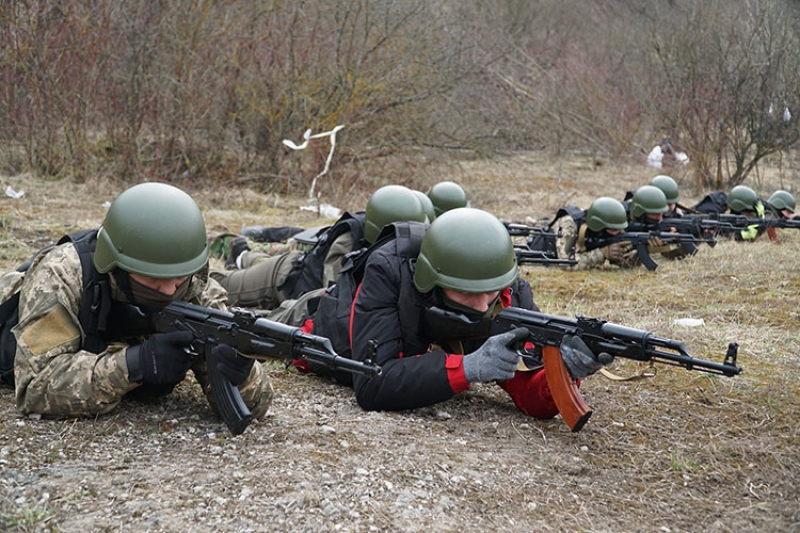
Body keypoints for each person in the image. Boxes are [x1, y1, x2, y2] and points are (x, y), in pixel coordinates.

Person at [307, 207, 612, 416]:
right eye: (466, 293)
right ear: (433, 281)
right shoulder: (389, 272)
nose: (482, 307)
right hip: (324, 319)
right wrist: (468, 367)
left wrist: (566, 371)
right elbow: (372, 384)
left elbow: (529, 392)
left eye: (490, 292)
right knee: (277, 294)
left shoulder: (509, 293)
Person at [9, 183, 273, 421]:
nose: (170, 289)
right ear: (117, 265)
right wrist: (135, 364)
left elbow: (258, 403)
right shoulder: (61, 274)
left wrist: (239, 372)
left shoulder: (195, 289)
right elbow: (34, 387)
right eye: (154, 277)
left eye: (179, 276)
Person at [210, 184, 427, 310]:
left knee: (255, 261)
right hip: (284, 278)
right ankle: (238, 251)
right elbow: (330, 299)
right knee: (222, 286)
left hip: (297, 266)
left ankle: (244, 253)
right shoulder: (346, 244)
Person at [550, 197, 640, 270]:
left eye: (619, 230)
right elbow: (565, 264)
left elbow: (626, 264)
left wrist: (642, 252)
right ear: (598, 225)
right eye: (612, 229)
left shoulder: (613, 230)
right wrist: (602, 253)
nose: (616, 233)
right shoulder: (569, 224)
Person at [692, 185, 768, 241]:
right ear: (737, 208)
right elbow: (718, 235)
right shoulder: (710, 210)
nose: (748, 216)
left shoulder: (727, 206)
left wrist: (761, 216)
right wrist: (740, 235)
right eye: (748, 213)